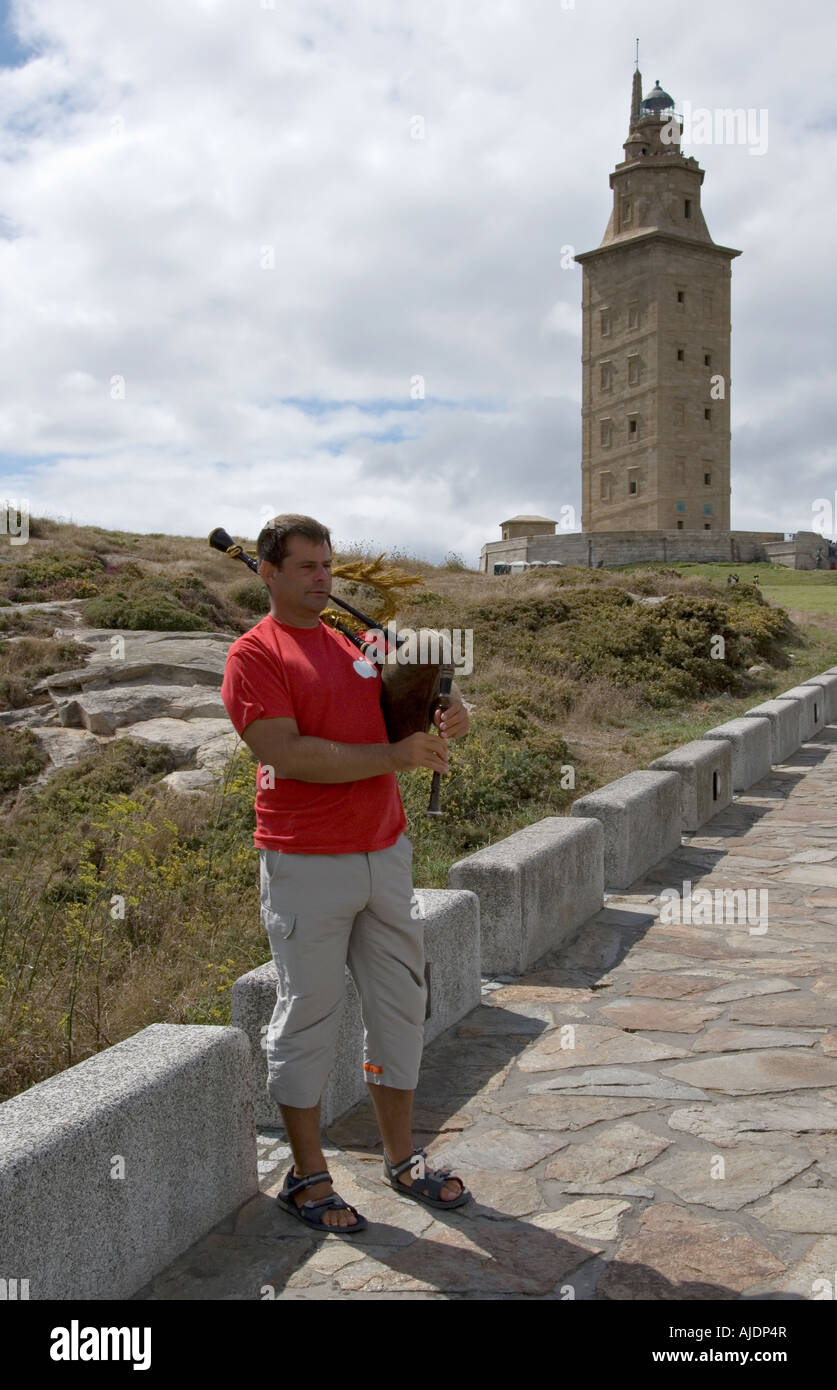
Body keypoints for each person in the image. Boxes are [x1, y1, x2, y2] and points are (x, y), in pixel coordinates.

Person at [220, 514, 472, 1233]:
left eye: (327, 564)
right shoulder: (254, 655)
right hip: (304, 860)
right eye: (304, 566)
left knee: (400, 1009)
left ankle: (401, 1160)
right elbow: (287, 752)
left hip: (383, 853)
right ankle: (308, 1176)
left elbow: (420, 706)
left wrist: (453, 715)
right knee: (308, 1013)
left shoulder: (357, 641)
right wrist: (394, 759)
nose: (321, 578)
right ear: (268, 572)